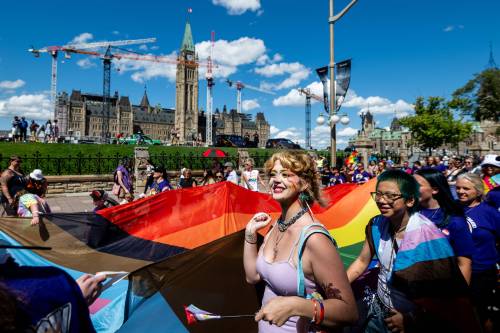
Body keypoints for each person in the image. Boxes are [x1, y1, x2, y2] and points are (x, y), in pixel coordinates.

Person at [347, 170, 477, 332]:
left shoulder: (429, 236)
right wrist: (338, 288)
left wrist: (412, 317)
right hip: (379, 311)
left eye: (390, 196)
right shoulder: (375, 224)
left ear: (409, 200)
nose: (381, 200)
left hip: (413, 320)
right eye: (378, 194)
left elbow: (445, 293)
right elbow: (361, 262)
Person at [244, 151, 357, 331]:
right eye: (273, 174)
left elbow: (349, 312)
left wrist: (297, 306)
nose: (276, 180)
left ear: (304, 183)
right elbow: (253, 277)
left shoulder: (315, 239)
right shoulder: (277, 226)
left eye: (286, 174)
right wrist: (250, 235)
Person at [456, 173, 500, 331]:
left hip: (482, 273)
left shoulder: (490, 213)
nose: (460, 191)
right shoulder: (451, 209)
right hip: (455, 272)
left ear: (478, 190)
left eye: (465, 188)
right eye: (458, 188)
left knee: (482, 316)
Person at [414, 169, 473, 283]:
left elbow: (464, 263)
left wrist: (461, 297)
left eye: (416, 185)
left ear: (435, 189)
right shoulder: (407, 214)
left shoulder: (455, 221)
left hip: (442, 287)